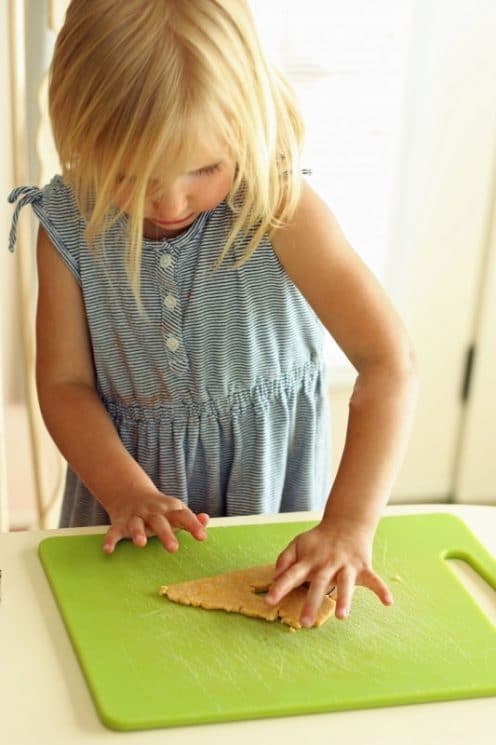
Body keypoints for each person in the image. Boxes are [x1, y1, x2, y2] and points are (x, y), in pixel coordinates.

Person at [7, 0, 418, 627]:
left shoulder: (275, 203)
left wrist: (348, 524)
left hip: (266, 495)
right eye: (128, 174)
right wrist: (127, 492)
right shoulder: (69, 224)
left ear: (245, 123)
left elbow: (388, 361)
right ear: (77, 134)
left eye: (204, 168)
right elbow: (64, 385)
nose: (171, 199)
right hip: (124, 499)